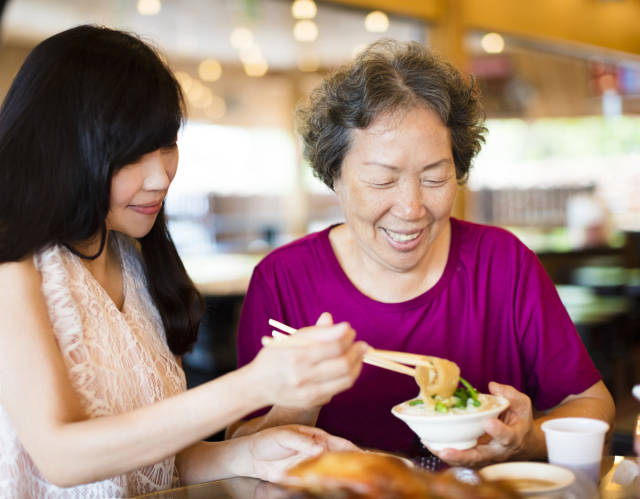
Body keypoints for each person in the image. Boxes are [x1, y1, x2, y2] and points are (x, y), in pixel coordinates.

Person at [0, 25, 368, 498]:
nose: (160, 177)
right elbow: (61, 456)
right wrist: (253, 385)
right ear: (63, 147)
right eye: (132, 155)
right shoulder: (15, 265)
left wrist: (250, 452)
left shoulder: (131, 258)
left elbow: (157, 463)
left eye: (167, 144)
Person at [232, 39, 615, 467]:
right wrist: (298, 404)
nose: (412, 209)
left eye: (434, 178)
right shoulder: (284, 278)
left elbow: (591, 403)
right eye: (381, 181)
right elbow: (239, 442)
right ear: (333, 176)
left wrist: (524, 439)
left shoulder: (503, 262)